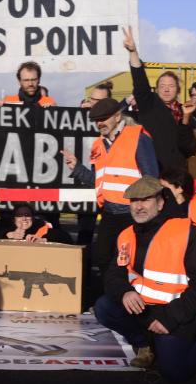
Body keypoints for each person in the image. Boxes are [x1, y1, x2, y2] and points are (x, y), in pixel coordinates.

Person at [94, 176, 196, 380]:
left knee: (174, 374)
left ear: (160, 203)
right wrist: (125, 292)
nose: (138, 206)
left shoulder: (186, 232)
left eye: (145, 200)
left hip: (177, 314)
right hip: (143, 310)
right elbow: (114, 274)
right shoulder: (126, 235)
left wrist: (169, 318)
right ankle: (144, 344)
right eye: (134, 201)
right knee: (104, 307)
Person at [62, 98, 159, 277]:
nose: (99, 123)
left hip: (132, 213)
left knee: (130, 261)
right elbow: (99, 181)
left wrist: (145, 212)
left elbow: (151, 179)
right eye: (97, 120)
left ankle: (128, 299)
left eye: (103, 118)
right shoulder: (98, 144)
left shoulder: (138, 137)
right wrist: (77, 168)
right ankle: (113, 298)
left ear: (117, 116)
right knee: (103, 258)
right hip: (108, 213)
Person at [123, 26, 196, 172]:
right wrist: (133, 52)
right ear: (156, 89)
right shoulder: (149, 104)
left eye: (171, 86)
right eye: (162, 86)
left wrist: (186, 119)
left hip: (177, 174)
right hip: (152, 171)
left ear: (178, 90)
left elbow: (188, 148)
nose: (166, 89)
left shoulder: (185, 111)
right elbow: (140, 82)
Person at [0, 202, 73, 244]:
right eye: (19, 215)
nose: (24, 218)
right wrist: (7, 235)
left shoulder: (40, 228)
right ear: (14, 220)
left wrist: (44, 240)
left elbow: (66, 238)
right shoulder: (8, 230)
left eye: (27, 215)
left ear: (32, 218)